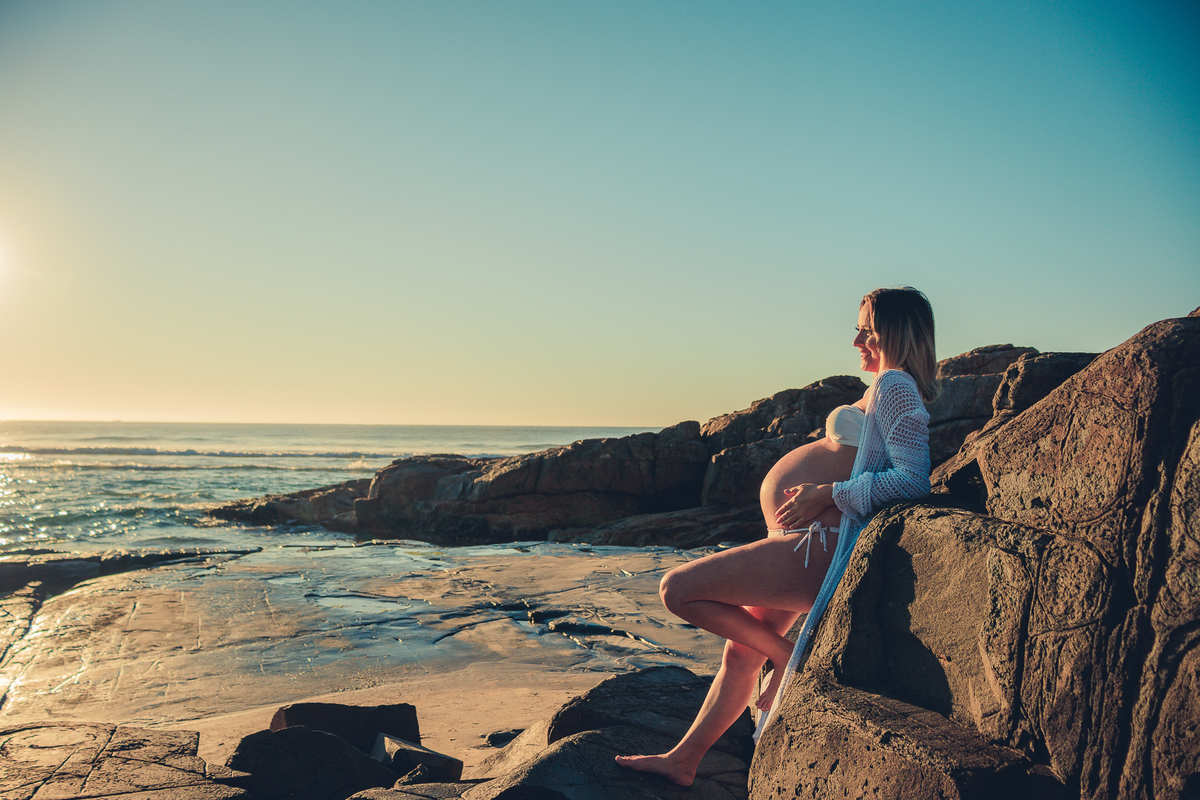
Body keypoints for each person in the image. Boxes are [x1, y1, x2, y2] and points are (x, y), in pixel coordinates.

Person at [614, 286, 939, 787]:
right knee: (742, 651)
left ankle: (789, 658)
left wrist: (828, 492)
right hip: (806, 542)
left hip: (818, 548)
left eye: (868, 330)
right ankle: (684, 761)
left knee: (677, 589)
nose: (856, 339)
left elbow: (914, 480)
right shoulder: (884, 387)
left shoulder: (897, 385)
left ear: (896, 332)